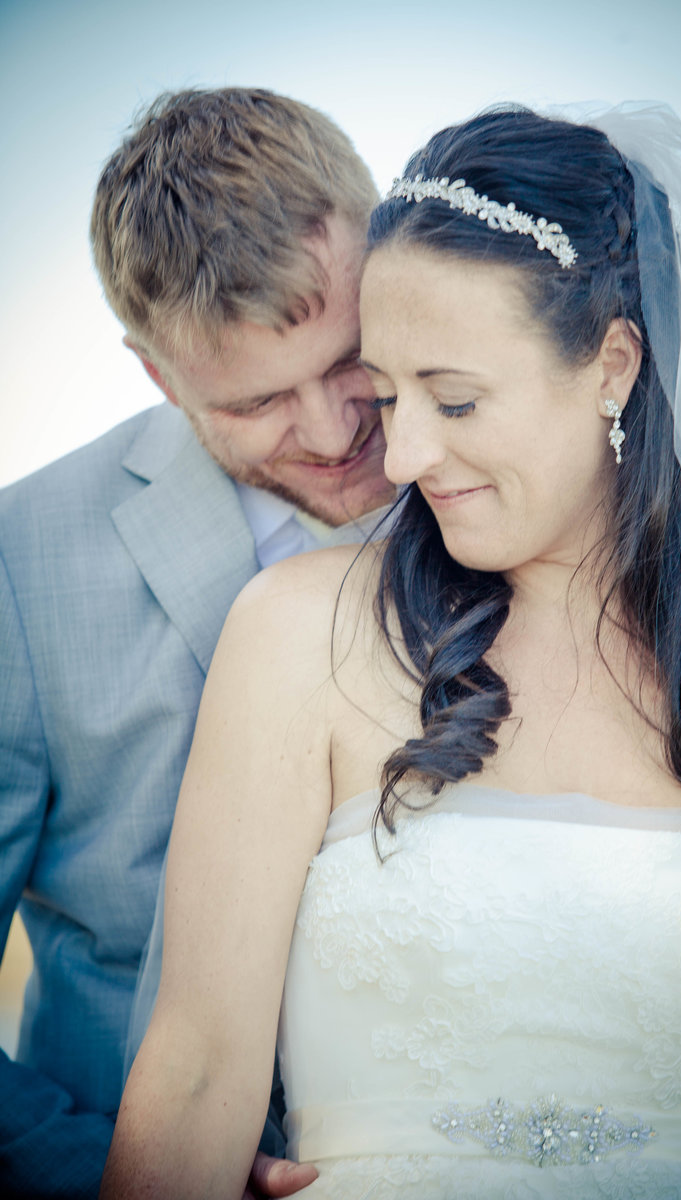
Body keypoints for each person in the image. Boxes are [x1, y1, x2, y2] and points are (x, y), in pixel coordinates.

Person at [101, 102, 681, 1199]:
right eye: (386, 393)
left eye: (455, 398)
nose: (399, 451)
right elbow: (193, 1073)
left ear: (612, 366)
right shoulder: (296, 629)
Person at [0, 86, 395, 1200]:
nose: (330, 431)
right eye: (258, 401)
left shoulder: (515, 493)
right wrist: (108, 1172)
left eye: (350, 357)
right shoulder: (19, 565)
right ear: (160, 377)